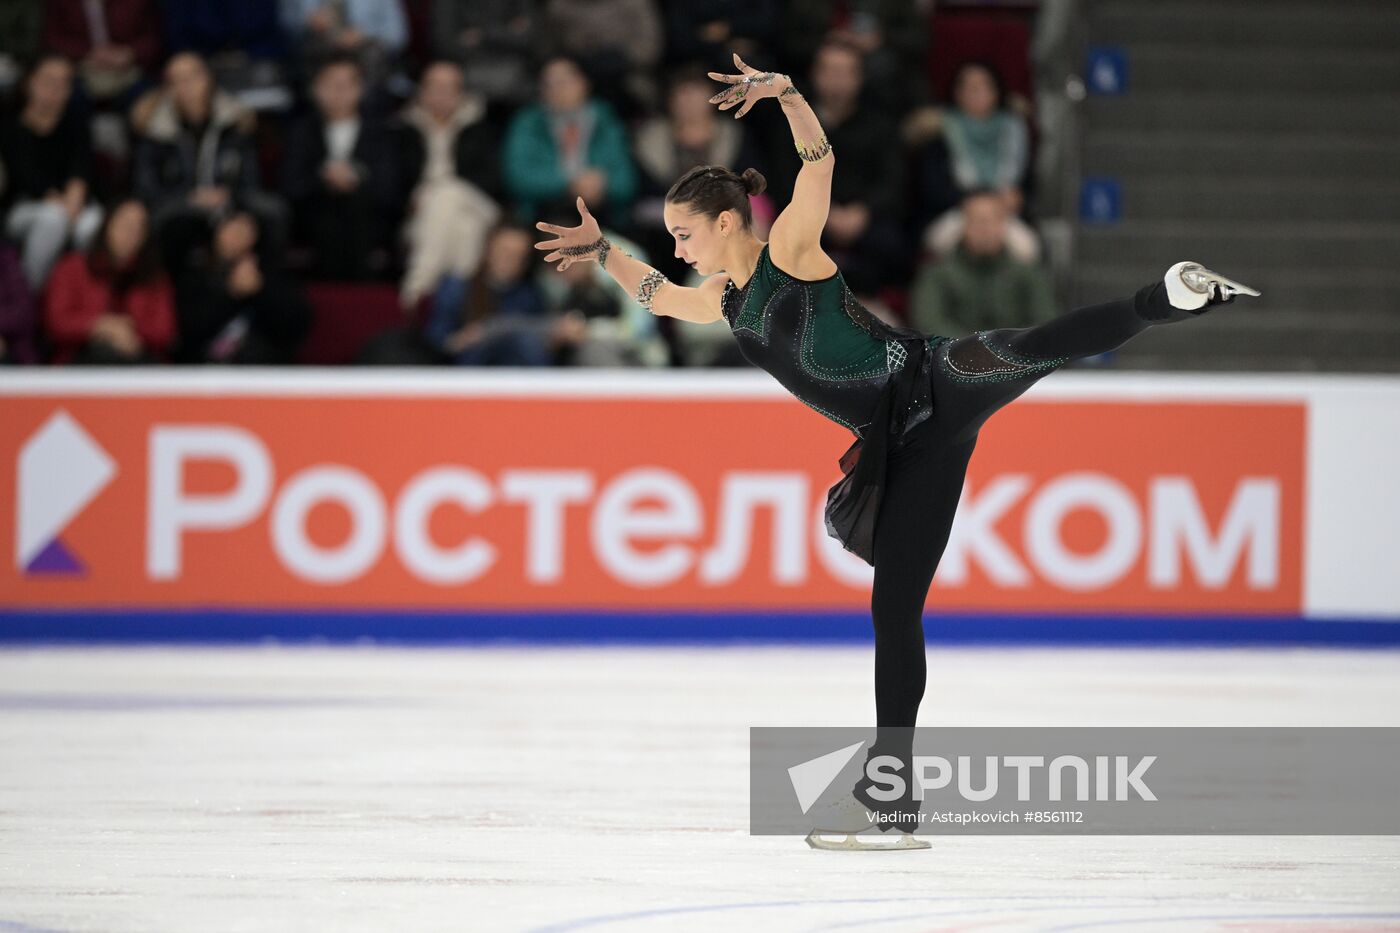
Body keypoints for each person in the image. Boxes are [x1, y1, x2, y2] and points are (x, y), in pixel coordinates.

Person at [533, 52, 1261, 851]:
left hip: (935, 379)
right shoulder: (721, 299)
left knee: (1036, 343)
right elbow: (654, 294)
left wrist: (788, 95)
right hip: (902, 447)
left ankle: (1173, 296)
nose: (678, 249)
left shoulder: (790, 253)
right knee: (894, 610)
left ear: (729, 222)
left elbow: (819, 160)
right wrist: (606, 253)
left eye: (684, 233)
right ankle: (895, 797)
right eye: (670, 237)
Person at [282, 53, 400, 280]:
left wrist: (356, 178)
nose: (338, 92)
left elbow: (390, 188)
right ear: (315, 89)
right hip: (315, 218)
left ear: (361, 89)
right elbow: (290, 185)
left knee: (356, 205)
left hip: (368, 219)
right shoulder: (301, 132)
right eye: (330, 84)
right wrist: (324, 178)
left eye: (346, 84)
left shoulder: (380, 132)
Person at [397, 60, 502, 308]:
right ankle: (455, 306)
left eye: (449, 87)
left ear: (462, 92)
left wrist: (438, 191)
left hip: (478, 204)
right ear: (421, 90)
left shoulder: (481, 128)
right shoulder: (402, 131)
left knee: (447, 192)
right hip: (423, 215)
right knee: (465, 229)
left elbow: (493, 181)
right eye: (435, 86)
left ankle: (417, 288)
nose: (442, 94)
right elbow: (393, 182)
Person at [0, 54, 104, 290]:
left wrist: (73, 202)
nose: (55, 89)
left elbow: (81, 168)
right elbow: (22, 175)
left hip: (74, 202)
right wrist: (61, 204)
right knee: (52, 219)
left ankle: (83, 298)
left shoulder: (76, 122)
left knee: (92, 225)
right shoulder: (9, 125)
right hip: (25, 206)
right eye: (48, 80)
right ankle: (28, 294)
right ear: (30, 82)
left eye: (63, 82)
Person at [908, 188, 1057, 337]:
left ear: (1004, 224)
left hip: (1016, 356)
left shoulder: (1028, 274)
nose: (984, 228)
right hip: (955, 356)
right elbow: (928, 322)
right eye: (976, 220)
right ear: (963, 225)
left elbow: (1045, 320)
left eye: (992, 219)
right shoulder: (937, 274)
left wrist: (1009, 349)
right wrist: (974, 350)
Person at [43, 198, 176, 364]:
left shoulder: (153, 276)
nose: (131, 233)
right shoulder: (72, 268)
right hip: (80, 360)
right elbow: (56, 322)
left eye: (139, 228)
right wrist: (100, 326)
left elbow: (165, 330)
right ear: (107, 226)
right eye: (124, 225)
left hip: (140, 360)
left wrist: (129, 329)